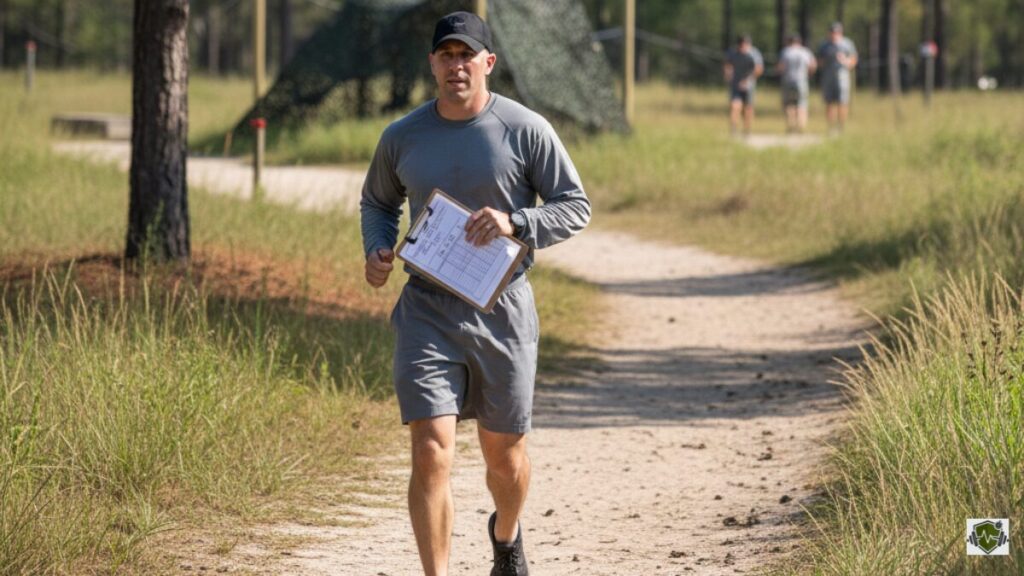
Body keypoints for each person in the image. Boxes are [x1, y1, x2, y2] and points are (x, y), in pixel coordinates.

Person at [360, 11, 590, 576]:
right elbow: (378, 202)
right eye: (447, 54)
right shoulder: (403, 136)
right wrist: (377, 248)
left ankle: (506, 536)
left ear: (488, 62)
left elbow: (575, 207)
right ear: (433, 63)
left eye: (468, 55)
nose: (456, 65)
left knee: (504, 456)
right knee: (430, 449)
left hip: (503, 308)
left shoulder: (525, 128)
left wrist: (516, 222)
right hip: (427, 309)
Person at [818, 22, 858, 134]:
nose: (834, 35)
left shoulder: (847, 44)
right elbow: (819, 61)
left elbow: (854, 60)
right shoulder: (824, 45)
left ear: (841, 33)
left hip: (842, 76)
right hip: (828, 76)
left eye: (836, 32)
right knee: (829, 102)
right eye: (832, 32)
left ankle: (841, 127)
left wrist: (846, 61)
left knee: (843, 102)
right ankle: (831, 128)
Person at [723, 34, 764, 137]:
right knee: (734, 106)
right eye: (741, 45)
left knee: (748, 108)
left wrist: (748, 80)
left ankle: (747, 129)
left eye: (745, 45)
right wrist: (728, 74)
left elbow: (759, 69)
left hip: (749, 85)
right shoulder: (732, 52)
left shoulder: (754, 53)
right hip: (735, 84)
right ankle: (733, 129)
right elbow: (728, 65)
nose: (743, 48)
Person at [777, 33, 817, 133]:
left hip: (788, 81)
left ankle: (790, 127)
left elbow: (781, 67)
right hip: (801, 81)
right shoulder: (805, 52)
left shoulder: (786, 52)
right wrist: (808, 74)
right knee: (802, 103)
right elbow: (813, 65)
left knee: (789, 104)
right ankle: (801, 126)